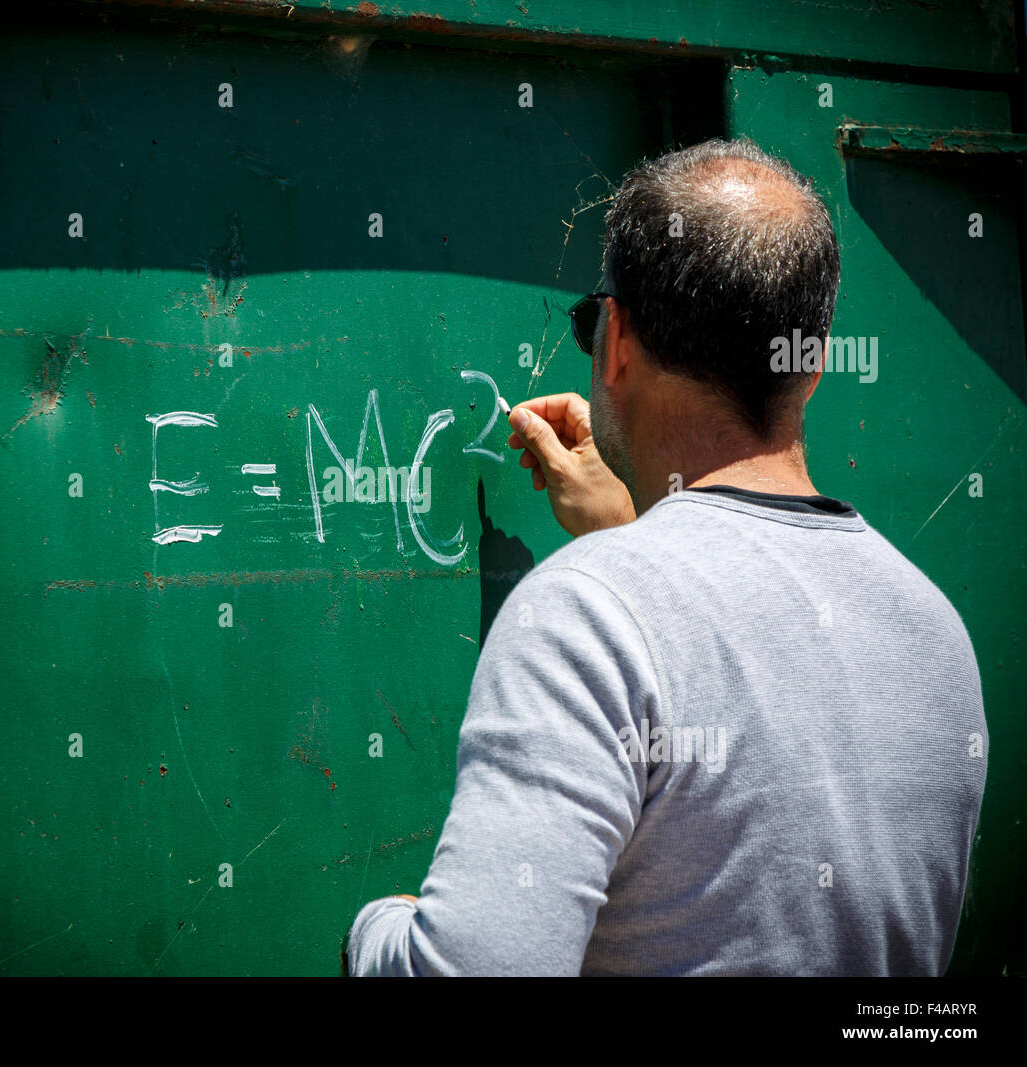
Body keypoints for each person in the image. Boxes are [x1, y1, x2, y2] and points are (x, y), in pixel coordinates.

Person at [345, 138, 987, 976]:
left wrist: (378, 930)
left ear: (614, 342)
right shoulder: (934, 631)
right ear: (814, 364)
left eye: (588, 322)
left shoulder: (583, 616)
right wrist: (626, 538)